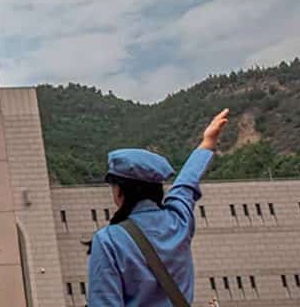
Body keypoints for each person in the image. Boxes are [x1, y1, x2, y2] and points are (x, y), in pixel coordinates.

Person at [86, 109, 231, 307]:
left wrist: (207, 143)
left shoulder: (108, 240)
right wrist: (207, 142)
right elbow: (185, 184)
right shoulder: (179, 221)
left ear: (120, 191)